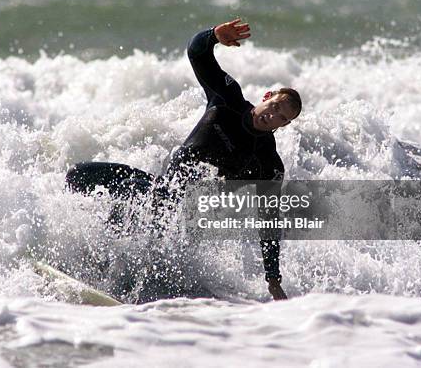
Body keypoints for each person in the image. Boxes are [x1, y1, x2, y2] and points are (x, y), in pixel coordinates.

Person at [66, 19, 302, 301]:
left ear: (285, 125)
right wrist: (213, 36)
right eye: (274, 106)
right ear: (266, 96)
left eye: (282, 117)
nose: (272, 116)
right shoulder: (227, 98)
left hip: (184, 219)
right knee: (78, 176)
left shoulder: (268, 163)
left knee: (153, 210)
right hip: (161, 193)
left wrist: (273, 280)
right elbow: (197, 54)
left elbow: (269, 223)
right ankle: (94, 262)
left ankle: (122, 278)